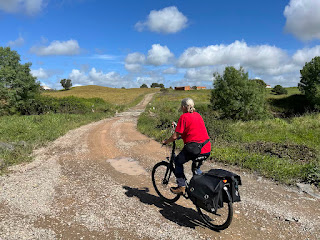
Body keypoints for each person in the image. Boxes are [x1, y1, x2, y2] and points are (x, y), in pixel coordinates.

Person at [162, 98, 211, 195]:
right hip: (206, 148)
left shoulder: (183, 117)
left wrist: (166, 141)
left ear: (183, 107)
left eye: (182, 107)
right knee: (196, 169)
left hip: (194, 149)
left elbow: (175, 136)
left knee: (177, 161)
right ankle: (202, 191)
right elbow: (194, 130)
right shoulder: (198, 115)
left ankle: (181, 186)